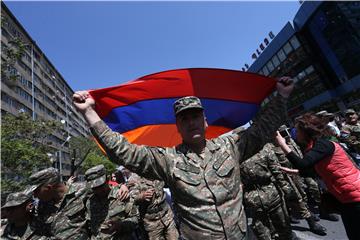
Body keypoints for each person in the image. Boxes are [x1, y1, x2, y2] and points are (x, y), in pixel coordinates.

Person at [73, 77, 294, 239]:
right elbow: (125, 152)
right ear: (177, 126)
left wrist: (282, 96)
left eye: (196, 116)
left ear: (205, 121)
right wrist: (89, 113)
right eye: (184, 119)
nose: (191, 122)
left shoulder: (232, 145)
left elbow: (264, 128)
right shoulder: (168, 159)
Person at [275, 112, 360, 240]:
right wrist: (296, 172)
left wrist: (282, 144)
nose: (295, 134)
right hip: (345, 196)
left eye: (297, 131)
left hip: (354, 196)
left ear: (306, 132)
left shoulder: (322, 145)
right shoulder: (315, 146)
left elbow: (303, 164)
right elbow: (320, 169)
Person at [240, 143, 299, 240]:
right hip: (254, 200)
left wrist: (286, 189)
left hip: (272, 194)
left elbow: (276, 170)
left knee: (283, 226)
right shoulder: (236, 155)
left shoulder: (264, 148)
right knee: (262, 232)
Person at [26, 167, 89, 239]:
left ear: (48, 188)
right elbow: (41, 232)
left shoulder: (84, 191)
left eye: (36, 191)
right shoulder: (41, 205)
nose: (34, 195)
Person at [85, 164, 139, 240]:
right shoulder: (90, 202)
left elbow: (136, 219)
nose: (99, 190)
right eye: (95, 188)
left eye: (101, 186)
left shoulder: (122, 195)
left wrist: (121, 226)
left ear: (107, 179)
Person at [128, 173, 179, 240]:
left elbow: (168, 181)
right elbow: (132, 197)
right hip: (151, 222)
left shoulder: (156, 171)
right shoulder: (134, 177)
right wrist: (142, 196)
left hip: (167, 216)